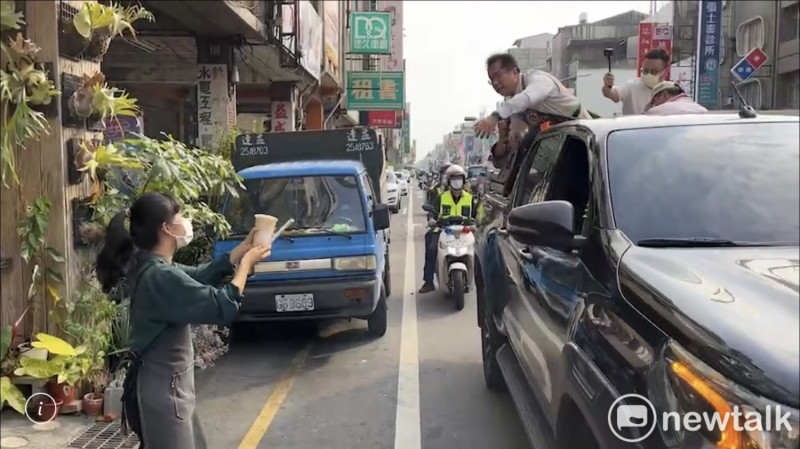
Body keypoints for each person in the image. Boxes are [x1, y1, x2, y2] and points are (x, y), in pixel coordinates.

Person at [96, 192, 271, 449]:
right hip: (164, 394)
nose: (185, 221)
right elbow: (222, 306)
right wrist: (245, 265)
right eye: (179, 216)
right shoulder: (159, 275)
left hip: (169, 389)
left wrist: (240, 250)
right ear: (166, 228)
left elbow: (199, 277)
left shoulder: (154, 265)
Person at [475, 53, 592, 196]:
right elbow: (516, 137)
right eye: (491, 79)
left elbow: (525, 99)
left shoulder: (538, 80)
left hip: (581, 139)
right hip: (557, 150)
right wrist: (508, 137)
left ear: (514, 72)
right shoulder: (515, 105)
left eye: (498, 76)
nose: (495, 83)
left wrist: (494, 117)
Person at [419, 165, 478, 293]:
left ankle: (482, 285)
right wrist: (431, 220)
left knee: (479, 252)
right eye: (454, 179)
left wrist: (476, 224)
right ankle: (428, 281)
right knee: (431, 247)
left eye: (459, 179)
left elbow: (476, 216)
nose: (457, 182)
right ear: (449, 181)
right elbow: (433, 212)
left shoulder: (470, 198)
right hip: (444, 230)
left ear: (463, 181)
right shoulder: (441, 197)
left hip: (465, 232)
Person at [602, 48, 671, 115]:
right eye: (646, 71)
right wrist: (607, 87)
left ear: (665, 71)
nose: (649, 74)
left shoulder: (672, 90)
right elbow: (613, 94)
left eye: (654, 71)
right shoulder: (631, 86)